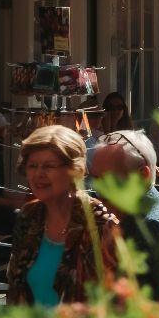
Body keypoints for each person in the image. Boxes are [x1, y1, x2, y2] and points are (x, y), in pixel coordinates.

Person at [7, 125, 120, 307]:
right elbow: (16, 287)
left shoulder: (99, 224)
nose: (38, 174)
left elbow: (114, 302)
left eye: (49, 166)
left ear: (74, 170)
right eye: (32, 166)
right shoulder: (29, 216)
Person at [90, 129, 159, 291]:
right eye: (95, 178)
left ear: (142, 176)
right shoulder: (156, 214)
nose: (98, 189)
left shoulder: (153, 227)